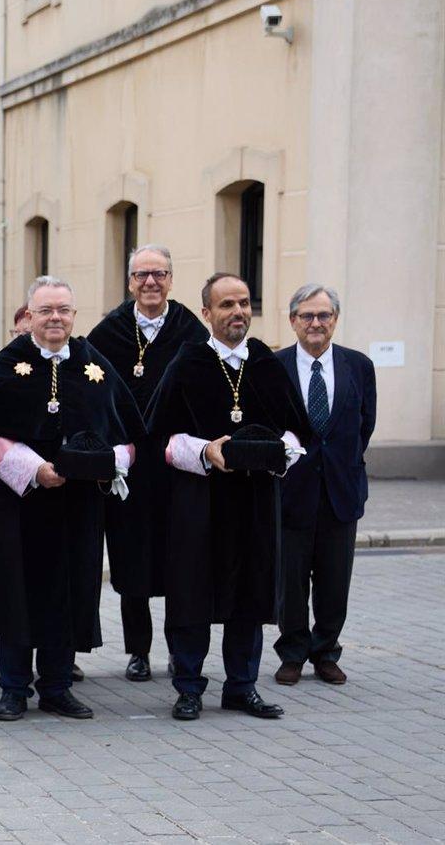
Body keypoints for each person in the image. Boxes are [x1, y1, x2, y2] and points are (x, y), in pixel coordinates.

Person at [144, 272, 310, 721]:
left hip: (255, 502)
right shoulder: (188, 361)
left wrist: (284, 451)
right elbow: (159, 435)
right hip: (198, 503)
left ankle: (242, 686)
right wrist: (205, 451)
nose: (237, 312)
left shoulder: (265, 363)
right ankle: (189, 687)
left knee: (250, 594)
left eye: (243, 303)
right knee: (193, 594)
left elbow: (296, 428)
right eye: (226, 305)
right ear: (206, 314)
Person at [0, 276, 141, 722]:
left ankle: (57, 686)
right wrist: (33, 470)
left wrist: (105, 462)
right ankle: (13, 688)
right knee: (17, 592)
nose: (55, 318)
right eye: (46, 310)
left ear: (73, 314)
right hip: (19, 504)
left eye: (63, 310)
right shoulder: (5, 366)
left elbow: (130, 432)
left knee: (66, 592)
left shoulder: (96, 366)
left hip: (77, 506)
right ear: (29, 315)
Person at [85, 245, 208, 682]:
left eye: (159, 274)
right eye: (141, 275)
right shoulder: (109, 332)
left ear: (172, 279)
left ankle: (180, 651)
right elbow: (92, 394)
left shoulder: (192, 330)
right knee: (130, 557)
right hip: (131, 466)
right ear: (130, 281)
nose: (150, 282)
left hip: (178, 465)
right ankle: (138, 651)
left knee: (181, 560)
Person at [273, 284, 376, 686]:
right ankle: (293, 653)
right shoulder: (275, 366)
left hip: (341, 490)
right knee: (291, 581)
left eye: (324, 316)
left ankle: (326, 651)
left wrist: (340, 462)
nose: (316, 323)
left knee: (335, 580)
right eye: (307, 316)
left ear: (334, 320)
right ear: (293, 321)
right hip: (291, 490)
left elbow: (364, 424)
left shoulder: (359, 366)